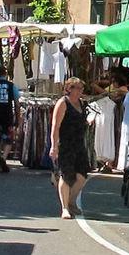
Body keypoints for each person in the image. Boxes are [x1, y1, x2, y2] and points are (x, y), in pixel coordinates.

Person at [49, 77, 90, 219]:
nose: (80, 91)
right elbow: (55, 126)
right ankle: (65, 208)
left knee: (82, 175)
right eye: (77, 88)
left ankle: (71, 201)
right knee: (66, 175)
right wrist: (54, 146)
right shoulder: (63, 103)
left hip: (79, 144)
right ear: (69, 88)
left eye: (81, 88)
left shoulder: (82, 103)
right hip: (65, 144)